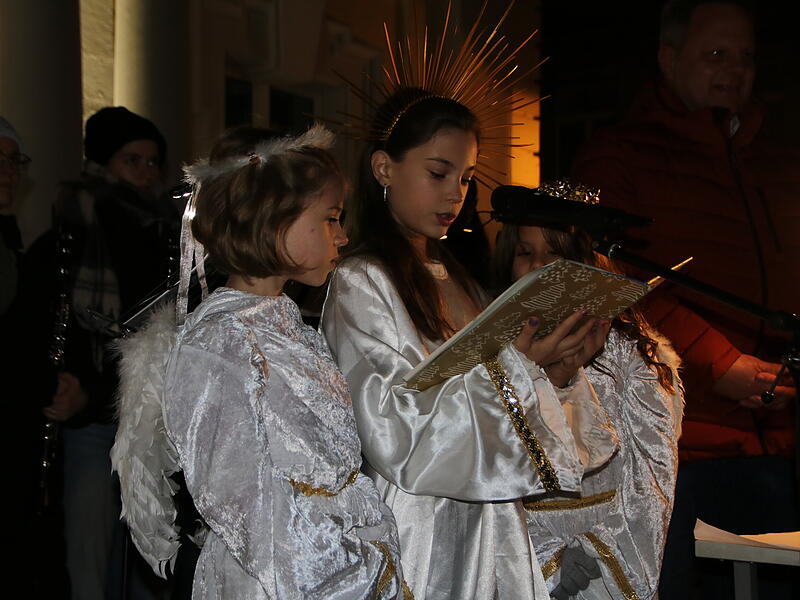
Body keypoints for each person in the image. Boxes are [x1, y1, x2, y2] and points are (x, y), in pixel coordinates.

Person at [320, 83, 621, 600]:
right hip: (420, 520)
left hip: (490, 519)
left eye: (465, 178)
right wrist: (519, 370)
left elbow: (501, 406)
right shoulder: (362, 280)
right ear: (384, 168)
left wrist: (555, 373)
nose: (455, 194)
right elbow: (391, 426)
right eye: (438, 173)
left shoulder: (460, 279)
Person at [113, 124, 409, 599]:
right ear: (273, 220)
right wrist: (334, 575)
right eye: (330, 218)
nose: (343, 235)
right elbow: (238, 499)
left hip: (341, 558)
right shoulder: (220, 341)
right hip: (281, 576)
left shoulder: (288, 323)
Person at [571, 1, 799, 597]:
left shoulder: (774, 160)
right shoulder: (622, 156)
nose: (734, 70)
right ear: (669, 60)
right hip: (686, 445)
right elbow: (612, 276)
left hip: (775, 438)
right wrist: (716, 363)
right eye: (716, 54)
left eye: (745, 56)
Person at [15, 106, 178, 600]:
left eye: (153, 162)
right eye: (132, 160)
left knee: (148, 555)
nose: (146, 173)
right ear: (103, 164)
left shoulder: (165, 234)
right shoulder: (74, 232)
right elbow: (48, 322)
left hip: (148, 416)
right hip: (90, 419)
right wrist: (75, 390)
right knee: (89, 550)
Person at [491, 183, 683, 600]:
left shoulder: (636, 358)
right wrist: (544, 556)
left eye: (554, 254)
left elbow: (651, 479)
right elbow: (489, 468)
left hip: (607, 551)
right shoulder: (492, 349)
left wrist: (602, 554)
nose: (537, 267)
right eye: (524, 252)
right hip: (518, 555)